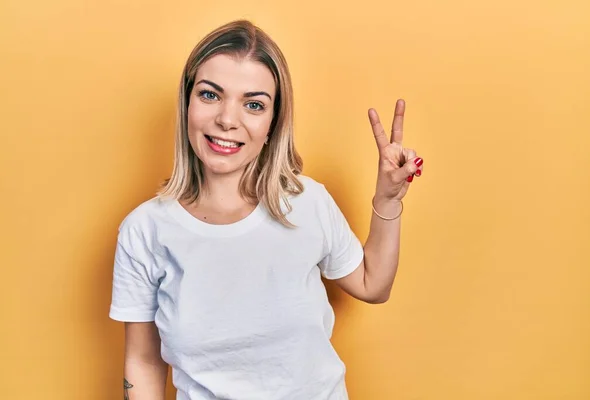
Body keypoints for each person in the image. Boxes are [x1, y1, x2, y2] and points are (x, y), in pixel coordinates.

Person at [109, 19, 424, 400]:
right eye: (210, 95)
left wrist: (388, 199)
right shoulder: (144, 230)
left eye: (253, 104)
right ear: (187, 102)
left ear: (273, 123)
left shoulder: (307, 202)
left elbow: (373, 285)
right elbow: (142, 363)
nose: (227, 120)